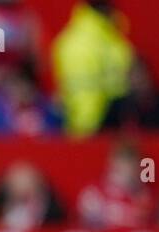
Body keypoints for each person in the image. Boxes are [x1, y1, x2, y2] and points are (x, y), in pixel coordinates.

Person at [51, 0, 134, 137]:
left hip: (112, 121)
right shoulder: (82, 41)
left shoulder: (109, 35)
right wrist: (85, 129)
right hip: (92, 126)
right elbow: (84, 93)